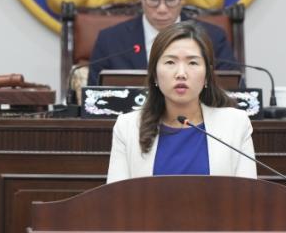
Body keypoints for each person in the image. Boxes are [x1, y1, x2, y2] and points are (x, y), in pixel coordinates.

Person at [106, 21, 256, 183]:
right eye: (170, 62)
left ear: (207, 75)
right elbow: (116, 196)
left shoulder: (236, 124)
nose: (181, 74)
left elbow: (247, 196)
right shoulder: (128, 127)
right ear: (155, 74)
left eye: (193, 63)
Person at [87, 0, 236, 85]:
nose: (162, 9)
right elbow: (93, 99)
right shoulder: (110, 42)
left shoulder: (213, 39)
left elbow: (233, 95)